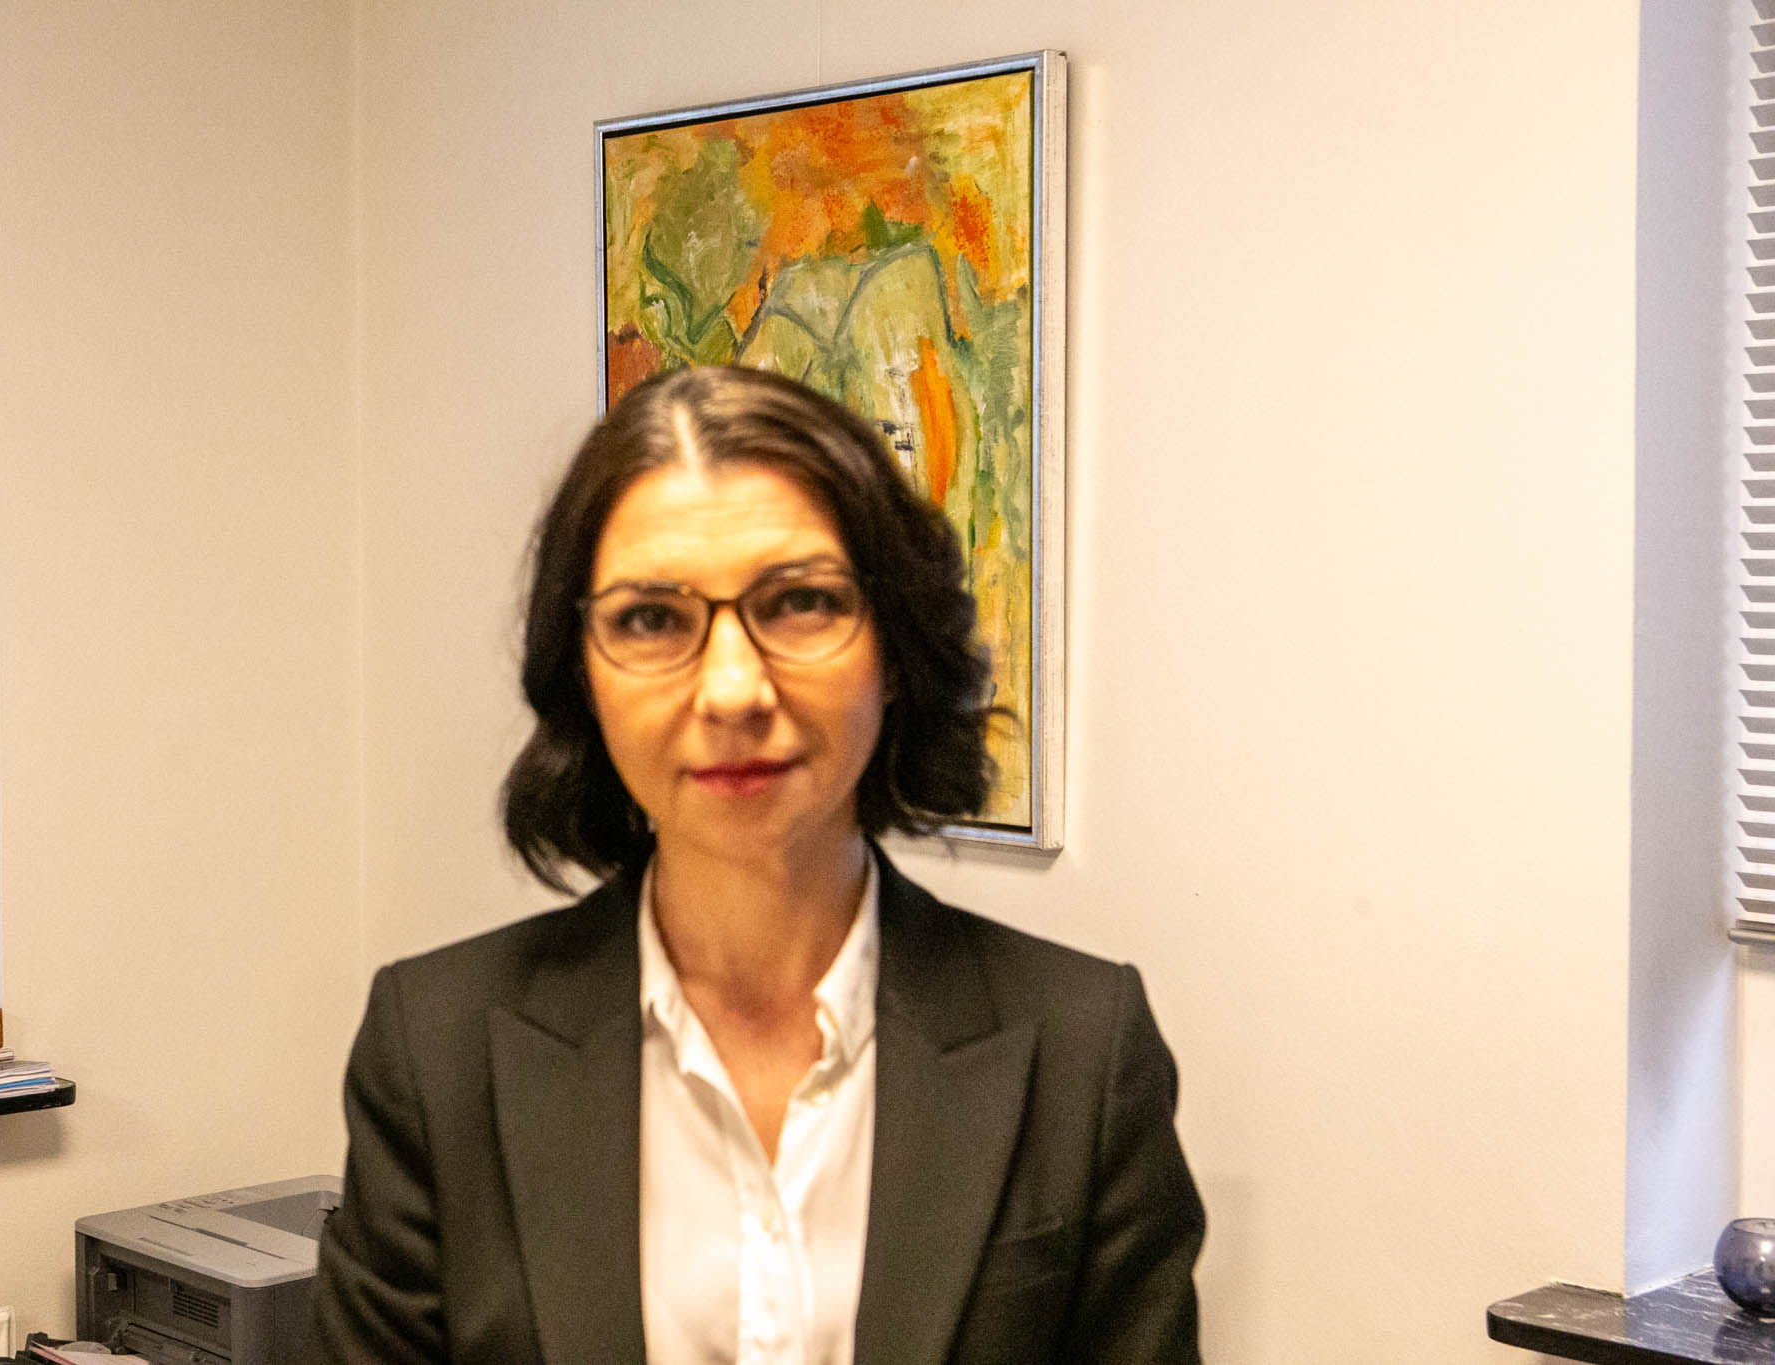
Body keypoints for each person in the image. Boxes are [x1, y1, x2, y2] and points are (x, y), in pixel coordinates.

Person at [312, 366, 1205, 1365]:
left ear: (895, 649)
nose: (733, 689)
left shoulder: (1083, 1053)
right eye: (651, 619)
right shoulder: (435, 1055)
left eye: (799, 602)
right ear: (582, 672)